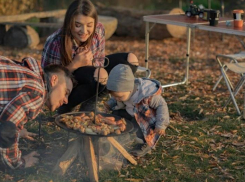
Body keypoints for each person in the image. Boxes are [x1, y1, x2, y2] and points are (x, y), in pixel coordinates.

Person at [41, 0, 139, 114]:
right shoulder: (55, 42)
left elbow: (100, 62)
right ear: (69, 23)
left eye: (89, 25)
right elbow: (47, 79)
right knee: (100, 74)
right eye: (78, 25)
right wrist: (76, 64)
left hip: (90, 71)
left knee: (131, 60)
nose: (84, 31)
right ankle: (66, 106)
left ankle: (90, 102)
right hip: (67, 81)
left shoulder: (99, 30)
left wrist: (90, 64)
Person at [0, 56, 74, 170]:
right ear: (54, 80)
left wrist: (18, 130)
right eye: (66, 92)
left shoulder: (26, 74)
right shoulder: (37, 91)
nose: (66, 100)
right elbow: (7, 127)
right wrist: (19, 162)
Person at [105, 64, 170, 157]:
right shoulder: (123, 92)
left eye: (119, 97)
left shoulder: (146, 95)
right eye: (114, 96)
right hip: (131, 111)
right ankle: (120, 134)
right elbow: (115, 98)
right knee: (116, 115)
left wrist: (161, 125)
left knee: (139, 130)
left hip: (145, 118)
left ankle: (145, 144)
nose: (117, 99)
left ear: (130, 89)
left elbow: (162, 105)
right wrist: (110, 104)